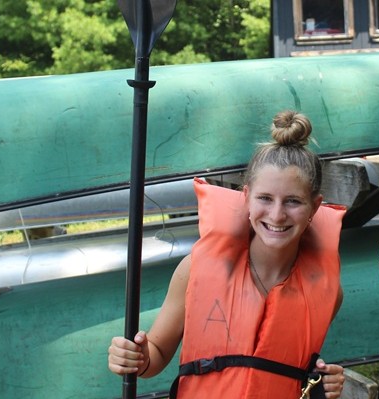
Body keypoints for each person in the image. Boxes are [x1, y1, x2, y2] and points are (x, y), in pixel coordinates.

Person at [108, 110, 347, 398]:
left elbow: (296, 371)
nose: (277, 214)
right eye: (265, 198)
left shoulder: (328, 291)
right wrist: (138, 358)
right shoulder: (194, 269)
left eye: (293, 201)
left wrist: (324, 384)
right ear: (246, 197)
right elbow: (156, 353)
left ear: (315, 206)